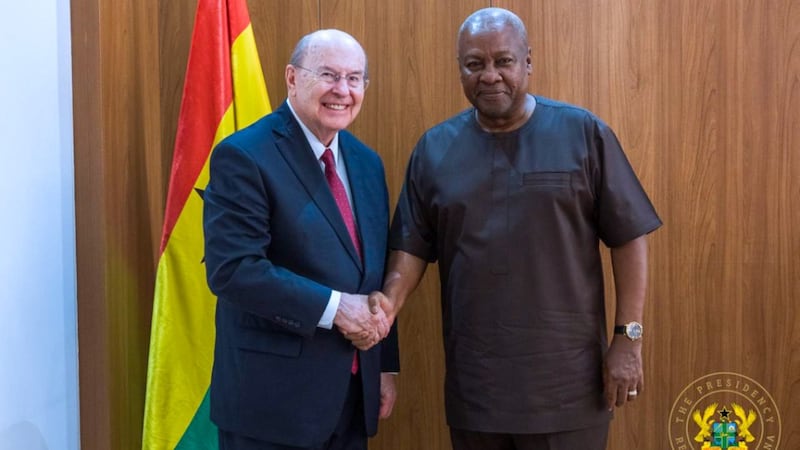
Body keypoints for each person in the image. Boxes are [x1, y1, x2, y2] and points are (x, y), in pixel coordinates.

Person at [370, 7, 662, 450]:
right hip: (477, 388)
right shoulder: (434, 149)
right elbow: (411, 246)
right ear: (460, 69)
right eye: (475, 64)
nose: (490, 76)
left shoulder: (583, 133)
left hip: (570, 386)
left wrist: (629, 338)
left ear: (528, 62)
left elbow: (629, 236)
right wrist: (386, 307)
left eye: (503, 61)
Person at [203, 29, 398, 450]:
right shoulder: (244, 155)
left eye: (354, 78)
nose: (342, 91)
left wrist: (383, 366)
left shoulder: (367, 163)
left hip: (351, 400)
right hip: (271, 408)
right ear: (292, 78)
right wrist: (334, 308)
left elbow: (373, 275)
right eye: (329, 75)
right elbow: (234, 270)